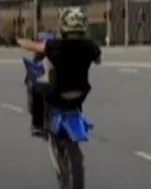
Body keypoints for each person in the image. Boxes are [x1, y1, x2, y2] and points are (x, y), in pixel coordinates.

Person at [17, 8, 102, 137]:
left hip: (57, 92)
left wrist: (20, 41)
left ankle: (38, 125)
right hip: (81, 91)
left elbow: (34, 47)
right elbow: (98, 60)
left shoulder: (55, 45)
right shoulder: (91, 46)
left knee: (34, 84)